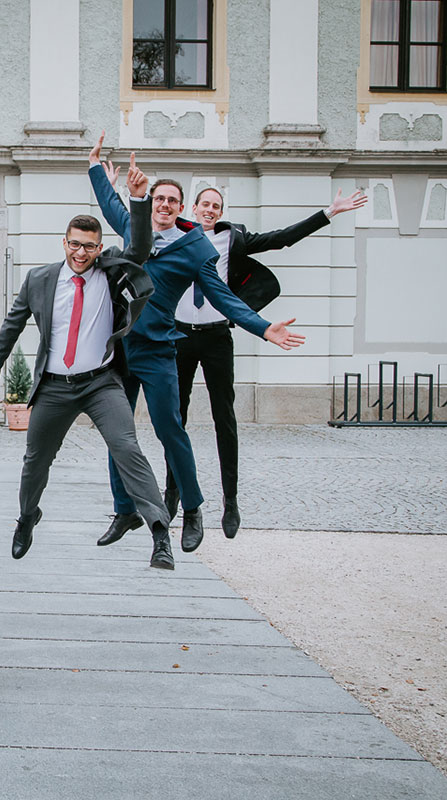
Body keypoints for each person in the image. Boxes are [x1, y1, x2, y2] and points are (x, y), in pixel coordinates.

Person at [88, 134, 304, 555]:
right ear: (150, 203)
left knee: (171, 431)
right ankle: (125, 509)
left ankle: (193, 508)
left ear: (181, 208)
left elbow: (222, 296)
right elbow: (111, 205)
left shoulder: (195, 248)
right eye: (158, 199)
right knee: (118, 433)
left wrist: (262, 327)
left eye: (172, 200)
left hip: (158, 352)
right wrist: (96, 169)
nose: (164, 205)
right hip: (122, 351)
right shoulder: (136, 230)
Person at [0, 158, 178, 569]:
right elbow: (8, 331)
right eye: (75, 244)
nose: (81, 253)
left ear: (99, 247)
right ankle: (26, 518)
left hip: (101, 383)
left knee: (126, 447)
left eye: (89, 246)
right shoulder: (39, 279)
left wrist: (138, 199)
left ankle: (160, 532)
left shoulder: (111, 272)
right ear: (65, 242)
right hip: (55, 386)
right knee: (34, 461)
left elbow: (141, 248)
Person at [168, 186, 367, 538]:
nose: (210, 210)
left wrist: (329, 212)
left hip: (216, 337)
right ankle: (172, 494)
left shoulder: (233, 239)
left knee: (224, 418)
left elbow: (282, 239)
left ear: (220, 211)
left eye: (216, 206)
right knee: (175, 418)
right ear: (193, 208)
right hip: (180, 335)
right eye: (205, 205)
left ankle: (231, 500)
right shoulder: (173, 235)